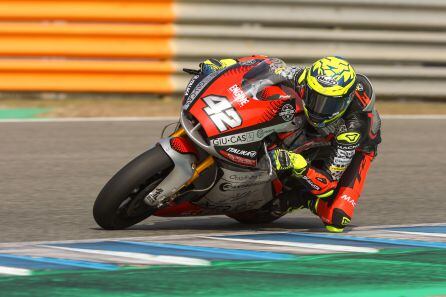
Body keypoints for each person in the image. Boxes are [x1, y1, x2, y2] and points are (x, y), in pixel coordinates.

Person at [199, 56, 381, 232]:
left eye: (329, 104)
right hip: (320, 129)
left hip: (359, 147)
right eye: (315, 98)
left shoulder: (352, 129)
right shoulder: (304, 77)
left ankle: (302, 199)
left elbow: (329, 184)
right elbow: (266, 64)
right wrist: (227, 64)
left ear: (345, 100)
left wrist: (298, 164)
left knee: (336, 218)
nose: (320, 109)